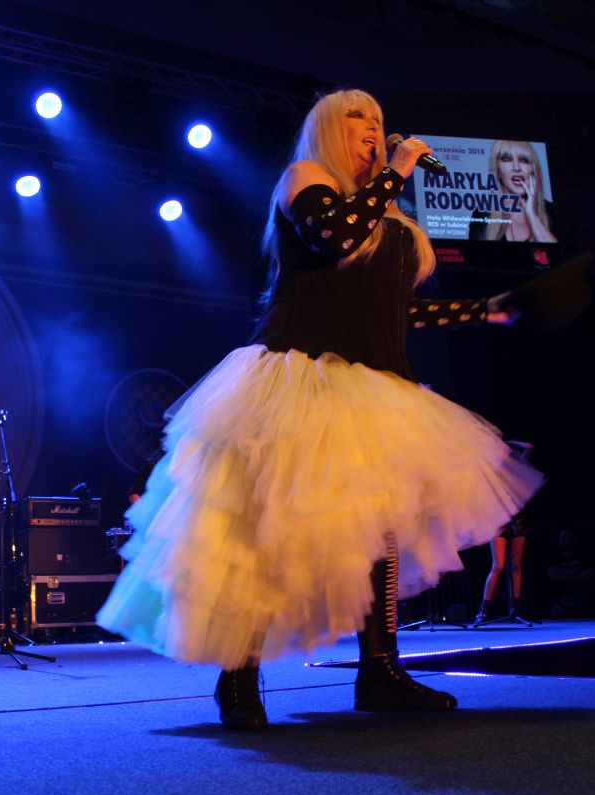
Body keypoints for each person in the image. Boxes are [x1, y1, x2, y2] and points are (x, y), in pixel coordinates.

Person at [97, 89, 543, 729]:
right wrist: (398, 170)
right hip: (297, 379)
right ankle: (239, 676)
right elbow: (333, 236)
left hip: (373, 388)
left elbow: (395, 311)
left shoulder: (388, 215)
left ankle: (381, 672)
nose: (374, 130)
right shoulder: (306, 179)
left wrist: (483, 310)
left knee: (380, 531)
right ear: (329, 129)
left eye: (379, 121)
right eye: (358, 119)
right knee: (264, 530)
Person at [475, 440, 535, 623]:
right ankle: (484, 611)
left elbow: (529, 447)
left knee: (516, 564)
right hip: (498, 520)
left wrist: (511, 442)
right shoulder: (489, 471)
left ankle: (515, 608)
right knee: (498, 565)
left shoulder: (517, 467)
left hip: (518, 519)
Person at [471, 140, 557, 244]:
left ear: (533, 169)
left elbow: (556, 252)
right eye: (507, 159)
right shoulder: (482, 214)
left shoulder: (551, 211)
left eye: (524, 160)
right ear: (498, 171)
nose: (516, 168)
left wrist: (532, 215)